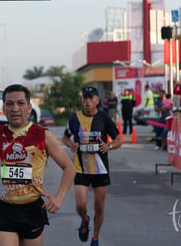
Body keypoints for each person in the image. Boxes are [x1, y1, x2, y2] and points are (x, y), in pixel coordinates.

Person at [0, 62, 75, 246]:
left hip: (33, 209)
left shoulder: (43, 135)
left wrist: (59, 197)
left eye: (20, 103)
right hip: (4, 210)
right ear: (3, 109)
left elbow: (69, 168)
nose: (15, 108)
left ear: (29, 108)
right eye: (9, 104)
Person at [62, 86, 122, 246]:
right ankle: (84, 219)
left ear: (97, 100)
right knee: (80, 205)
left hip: (100, 169)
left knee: (99, 206)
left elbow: (118, 140)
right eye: (85, 98)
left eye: (90, 98)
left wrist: (109, 146)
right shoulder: (75, 118)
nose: (87, 101)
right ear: (82, 100)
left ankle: (95, 238)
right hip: (80, 168)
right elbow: (65, 138)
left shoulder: (103, 118)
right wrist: (71, 145)